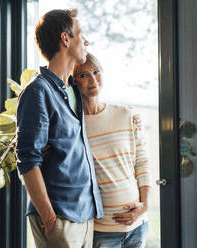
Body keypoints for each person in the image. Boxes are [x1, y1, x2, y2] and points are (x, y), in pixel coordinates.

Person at [16, 9, 103, 248]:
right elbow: (27, 159)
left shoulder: (73, 88)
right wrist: (48, 217)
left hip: (85, 213)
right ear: (65, 39)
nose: (86, 41)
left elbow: (98, 103)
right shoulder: (38, 92)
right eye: (81, 34)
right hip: (59, 216)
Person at [73, 53, 152, 248]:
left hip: (138, 225)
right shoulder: (73, 126)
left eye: (96, 72)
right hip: (102, 231)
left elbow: (142, 162)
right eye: (84, 75)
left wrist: (145, 205)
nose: (93, 79)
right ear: (73, 81)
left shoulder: (126, 114)